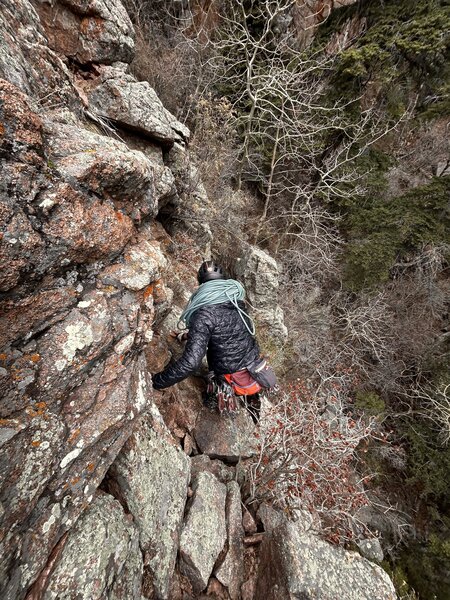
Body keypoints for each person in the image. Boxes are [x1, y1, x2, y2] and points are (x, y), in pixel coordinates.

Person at [152, 260, 264, 414]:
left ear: (201, 283)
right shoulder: (237, 302)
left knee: (209, 402)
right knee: (253, 409)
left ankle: (213, 401)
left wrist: (156, 381)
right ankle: (254, 412)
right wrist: (187, 336)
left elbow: (191, 363)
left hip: (230, 377)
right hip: (255, 369)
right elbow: (225, 330)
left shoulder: (204, 314)